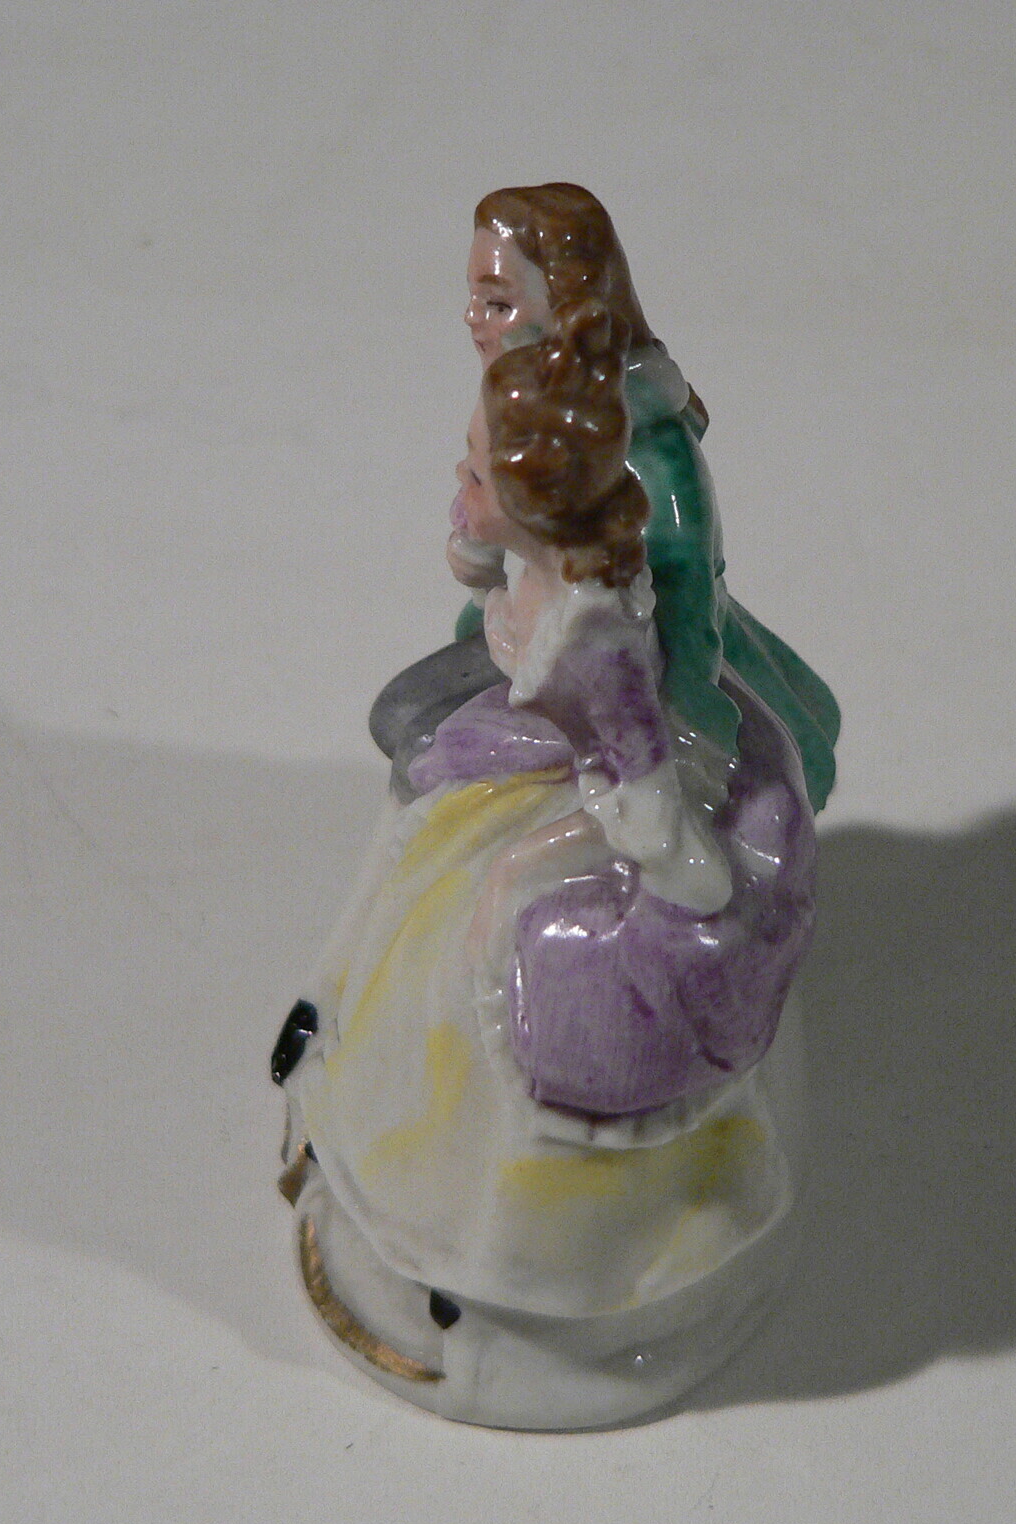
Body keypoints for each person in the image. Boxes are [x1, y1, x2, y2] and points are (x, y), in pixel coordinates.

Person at [278, 298, 816, 1430]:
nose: (458, 480)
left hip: (603, 857)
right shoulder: (532, 581)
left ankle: (510, 1290)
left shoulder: (593, 628)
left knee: (487, 1044)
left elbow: (651, 815)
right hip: (513, 778)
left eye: (476, 468)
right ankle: (378, 1177)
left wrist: (548, 860)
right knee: (409, 907)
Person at [443, 182, 844, 813]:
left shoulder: (649, 444)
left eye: (497, 303)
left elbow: (687, 591)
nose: (473, 319)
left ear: (570, 309)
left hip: (642, 672)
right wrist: (479, 562)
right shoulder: (514, 407)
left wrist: (687, 737)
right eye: (473, 299)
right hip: (535, 638)